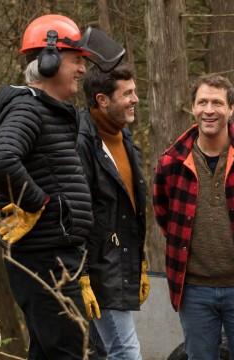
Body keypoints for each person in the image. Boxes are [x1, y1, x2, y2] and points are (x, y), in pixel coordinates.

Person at [0, 14, 123, 359]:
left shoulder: (49, 112)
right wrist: (38, 203)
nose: (81, 70)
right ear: (48, 62)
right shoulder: (27, 108)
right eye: (76, 60)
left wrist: (82, 265)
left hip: (58, 259)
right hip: (46, 260)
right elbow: (1, 160)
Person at [153, 74, 234, 360]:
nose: (209, 110)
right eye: (202, 102)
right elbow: (164, 216)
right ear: (192, 108)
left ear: (231, 109)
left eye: (217, 102)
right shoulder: (171, 162)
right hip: (194, 289)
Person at [76, 63, 148, 360]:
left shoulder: (124, 137)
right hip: (98, 270)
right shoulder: (80, 143)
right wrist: (82, 276)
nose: (135, 99)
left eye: (135, 92)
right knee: (126, 352)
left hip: (120, 264)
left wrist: (140, 261)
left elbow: (127, 211)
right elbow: (76, 214)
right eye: (127, 93)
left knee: (103, 352)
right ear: (102, 100)